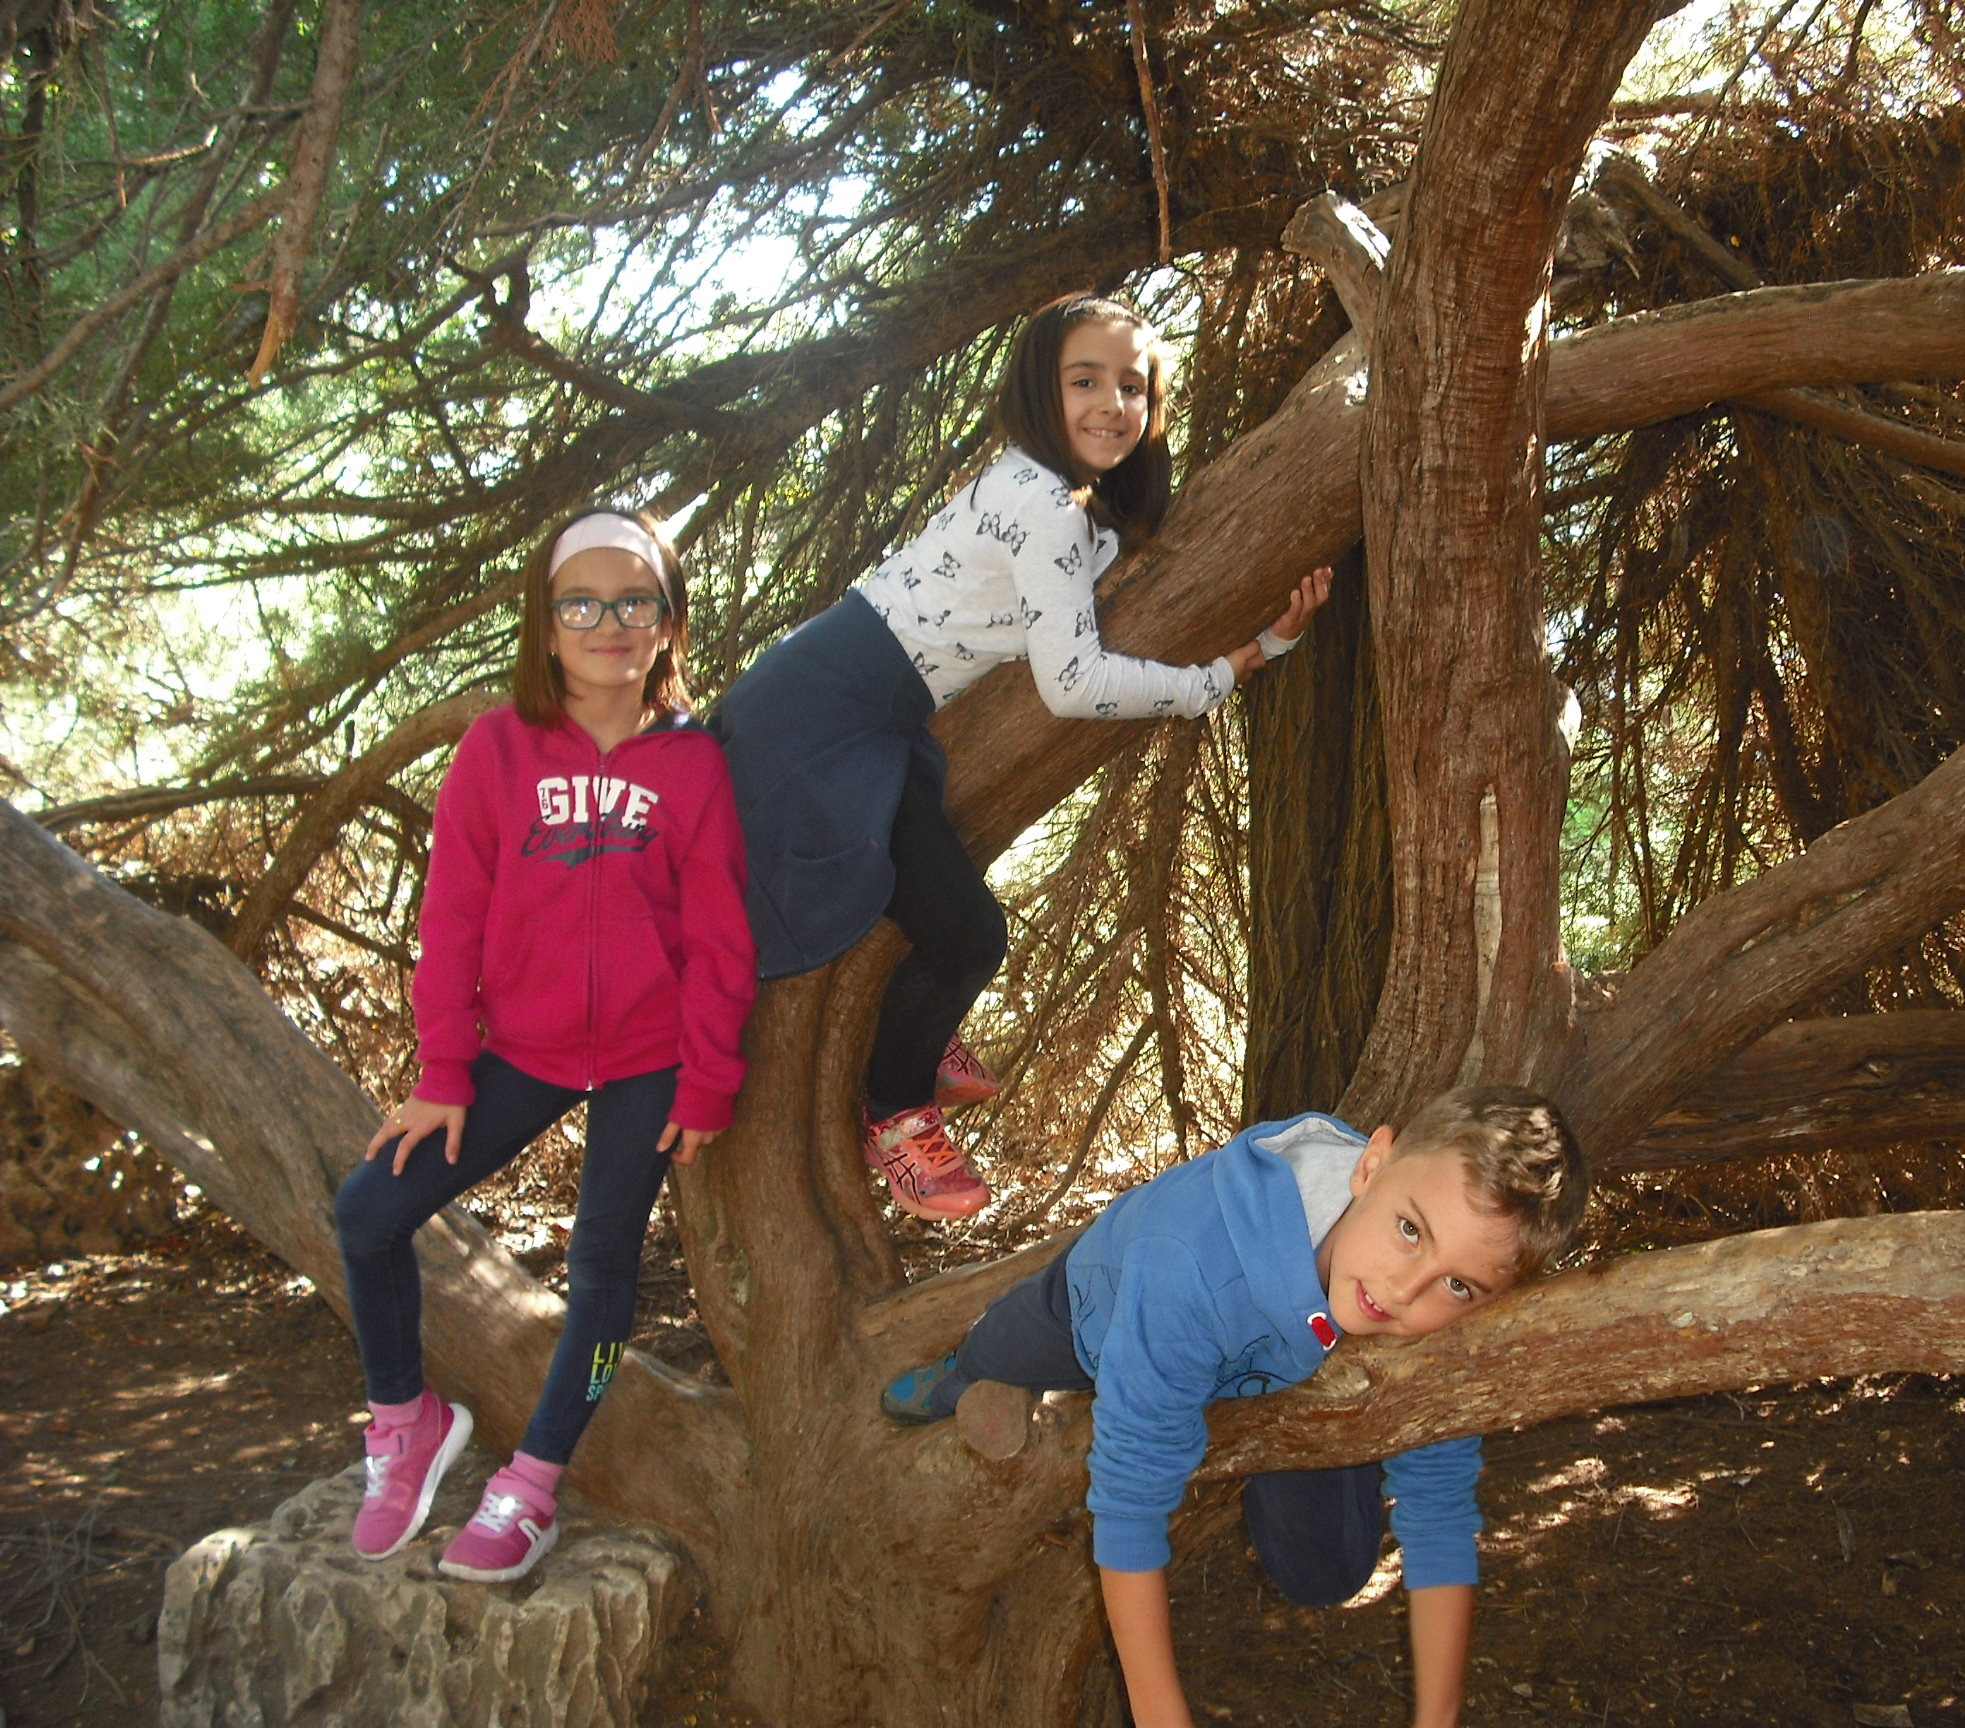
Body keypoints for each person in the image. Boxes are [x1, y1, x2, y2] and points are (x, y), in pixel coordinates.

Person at [713, 291, 1330, 1221]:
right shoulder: (1042, 502)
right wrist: (1211, 682)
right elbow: (1073, 681)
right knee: (967, 932)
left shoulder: (1061, 499)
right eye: (1085, 381)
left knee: (940, 914)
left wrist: (1268, 640)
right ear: (1040, 388)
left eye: (1133, 386)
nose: (1112, 405)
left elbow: (1120, 603)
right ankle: (894, 1111)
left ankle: (913, 1045)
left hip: (854, 702)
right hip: (816, 717)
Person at [881, 1085, 1589, 1728]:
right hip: (1101, 1305)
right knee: (1006, 1346)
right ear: (1372, 1165)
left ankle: (1244, 1388)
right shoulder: (1190, 1264)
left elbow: (1438, 1505)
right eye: (1411, 1230)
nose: (1406, 1290)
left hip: (1276, 1370)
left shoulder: (1399, 1294)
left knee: (1325, 1573)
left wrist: (1439, 1718)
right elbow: (1131, 1495)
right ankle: (959, 1372)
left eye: (1458, 1286)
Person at [333, 507, 755, 1584]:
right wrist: (443, 1069)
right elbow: (451, 917)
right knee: (369, 1211)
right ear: (546, 625)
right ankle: (406, 1423)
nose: (610, 624)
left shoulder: (694, 762)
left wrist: (707, 1077)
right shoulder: (498, 747)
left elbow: (721, 934)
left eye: (635, 602)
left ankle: (531, 1486)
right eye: (583, 605)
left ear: (668, 622)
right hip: (519, 1052)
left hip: (652, 1057)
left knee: (601, 1273)